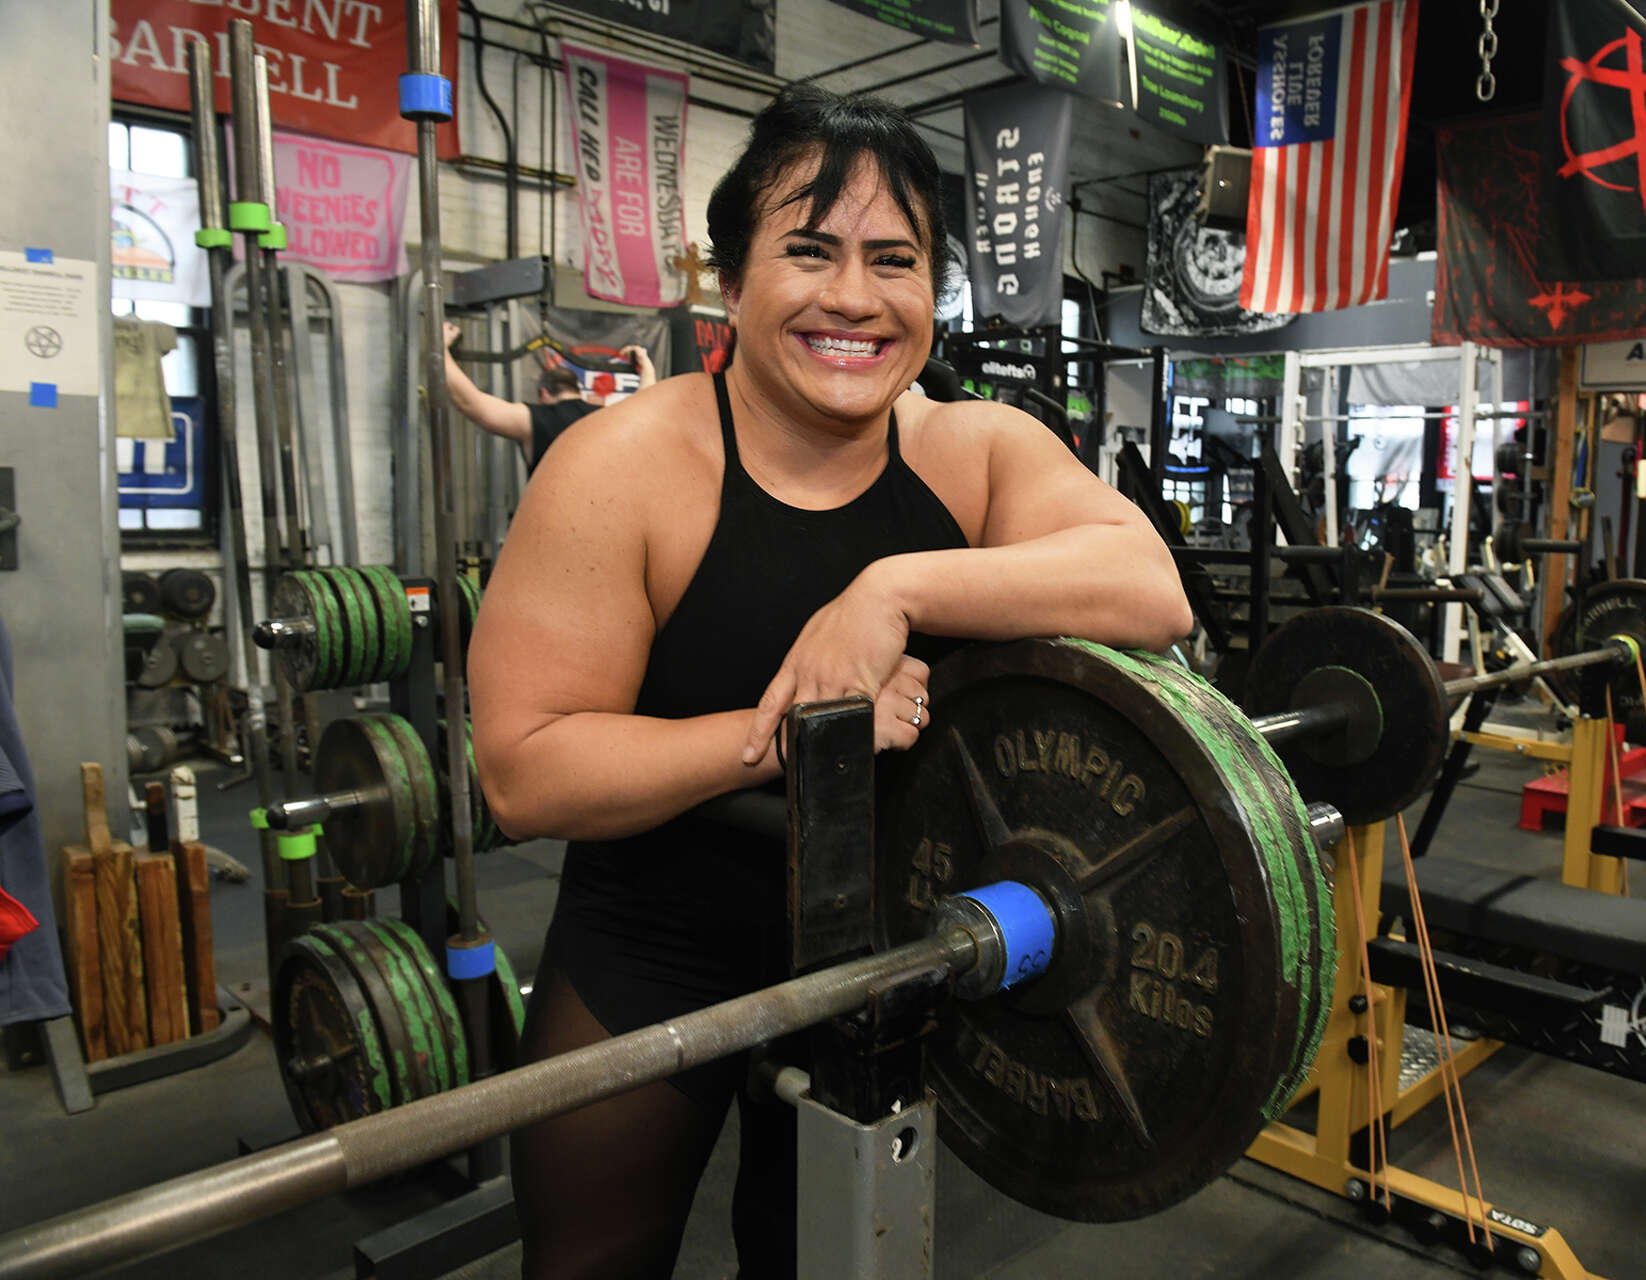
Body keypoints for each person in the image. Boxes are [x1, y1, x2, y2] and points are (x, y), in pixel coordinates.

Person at [467, 83, 1188, 1279]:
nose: (854, 297)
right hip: (659, 939)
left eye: (894, 261)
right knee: (590, 1260)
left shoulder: (975, 451)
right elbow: (526, 770)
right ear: (730, 280)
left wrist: (892, 589)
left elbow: (1149, 586)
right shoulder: (627, 465)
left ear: (933, 294)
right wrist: (799, 737)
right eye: (809, 251)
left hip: (887, 957)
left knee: (818, 1261)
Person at [441, 320, 658, 471]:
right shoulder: (606, 418)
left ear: (544, 393)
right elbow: (647, 403)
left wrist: (440, 349)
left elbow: (471, 403)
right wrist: (645, 364)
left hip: (550, 534)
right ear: (579, 390)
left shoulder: (535, 419)